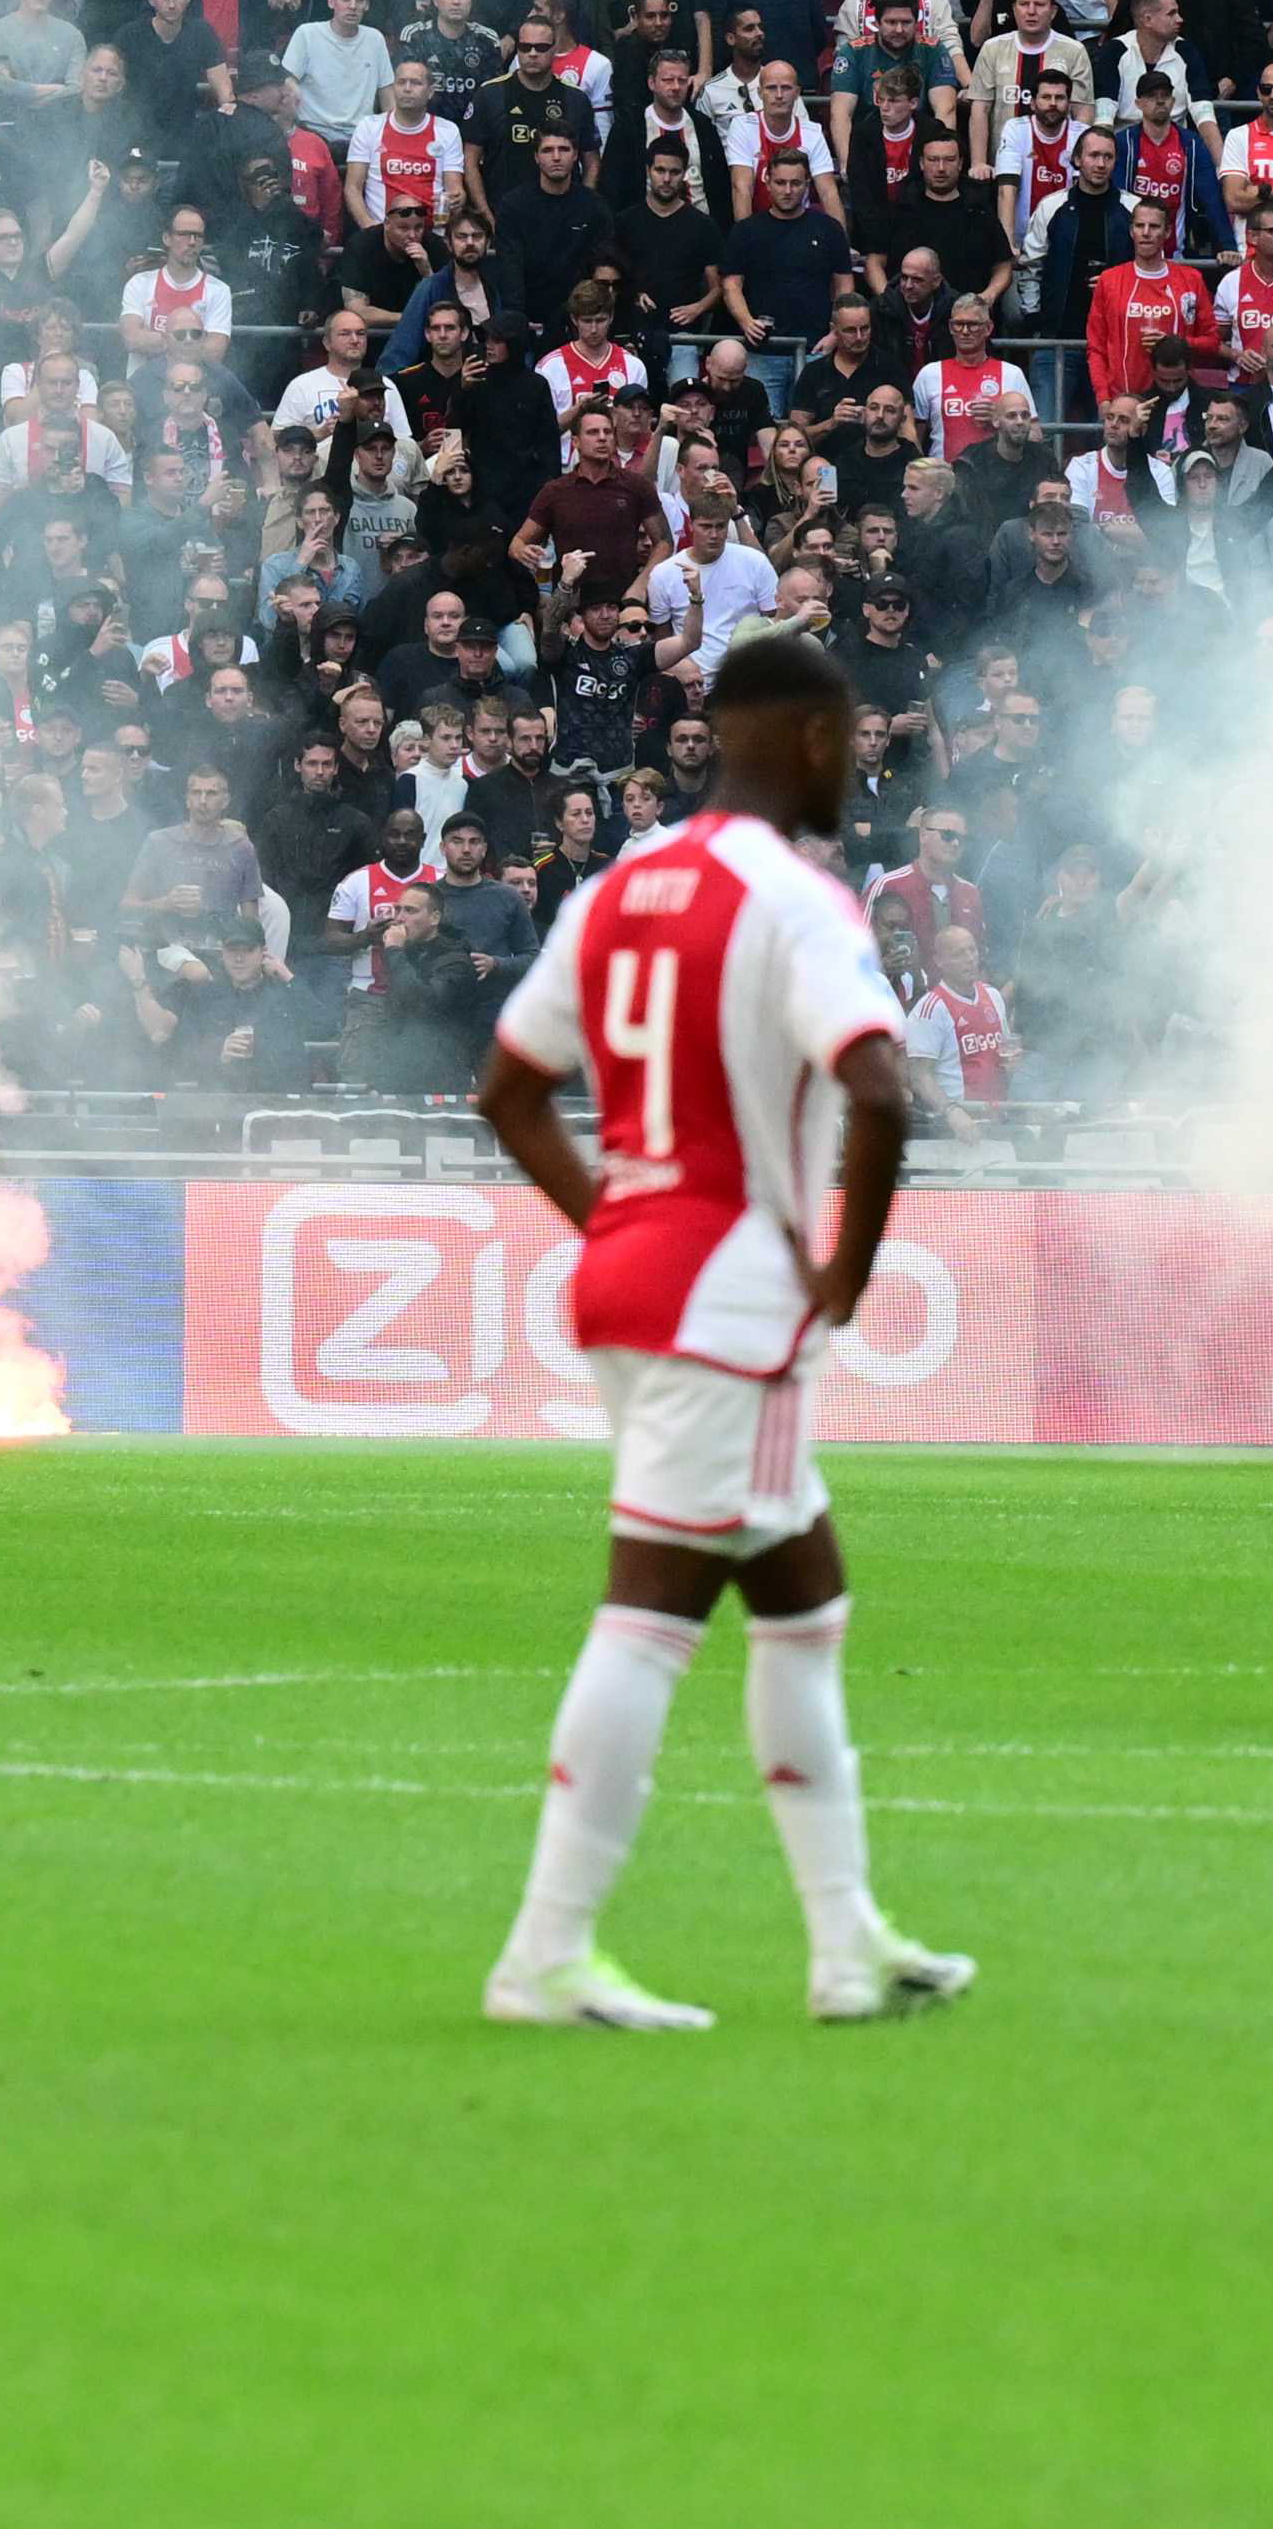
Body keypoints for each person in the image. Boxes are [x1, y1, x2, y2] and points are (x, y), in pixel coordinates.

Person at [467, 632, 977, 2032]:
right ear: (806, 734)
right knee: (647, 1621)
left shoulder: (620, 882)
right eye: (852, 733)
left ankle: (846, 1940)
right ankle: (545, 1951)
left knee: (803, 1604)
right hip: (727, 1293)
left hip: (638, 1268)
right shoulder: (799, 899)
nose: (859, 758)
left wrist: (617, 1218)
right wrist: (844, 1276)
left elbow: (505, 1088)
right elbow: (879, 1091)